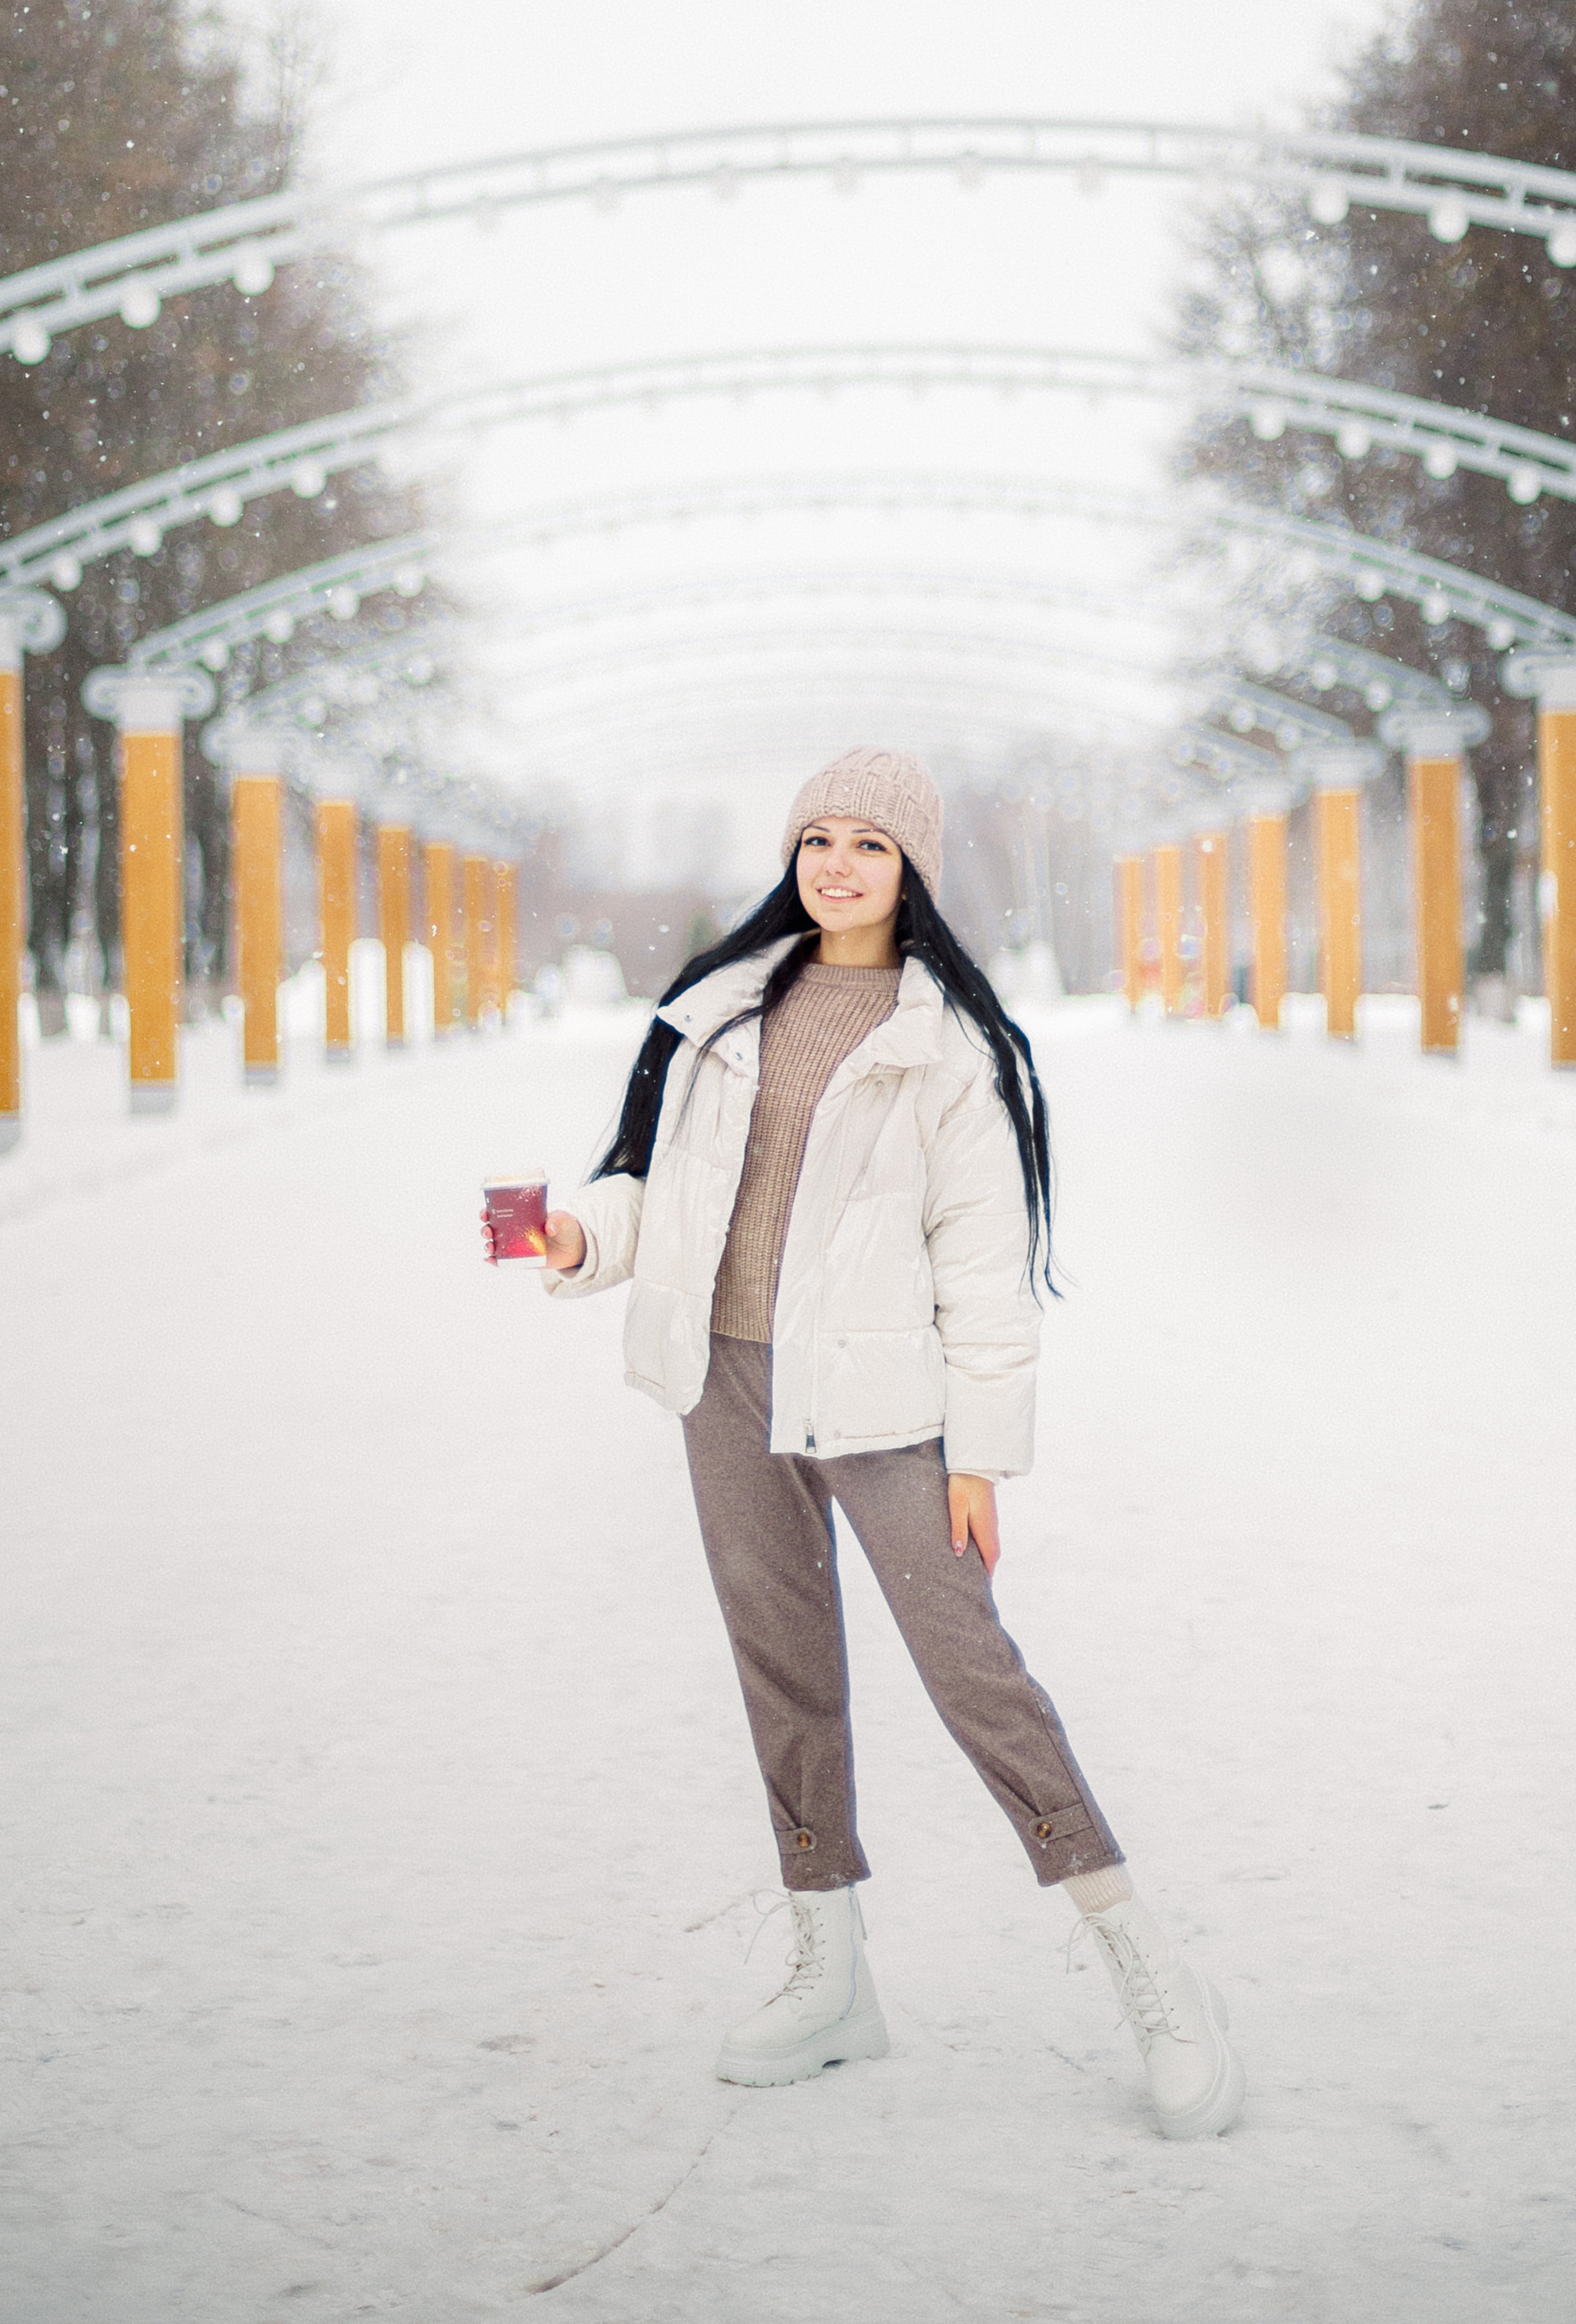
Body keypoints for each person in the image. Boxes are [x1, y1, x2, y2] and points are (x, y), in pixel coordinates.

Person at [482, 747, 1243, 2138]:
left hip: (885, 1405)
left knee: (975, 1677)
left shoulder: (945, 1046)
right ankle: (829, 1965)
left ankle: (1149, 1964)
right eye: (819, 837)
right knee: (784, 1672)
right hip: (726, 1381)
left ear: (913, 871)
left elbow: (986, 1261)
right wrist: (585, 1235)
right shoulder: (716, 1014)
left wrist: (980, 1456)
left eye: (871, 845)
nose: (837, 864)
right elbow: (659, 1190)